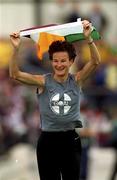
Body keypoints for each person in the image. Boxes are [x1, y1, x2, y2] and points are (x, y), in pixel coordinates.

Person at [9, 20, 101, 180]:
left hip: (71, 141)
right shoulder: (43, 81)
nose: (59, 65)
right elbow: (15, 74)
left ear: (71, 62)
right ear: (51, 62)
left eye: (63, 61)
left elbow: (95, 62)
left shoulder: (77, 79)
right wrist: (16, 49)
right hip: (48, 142)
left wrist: (89, 39)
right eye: (55, 61)